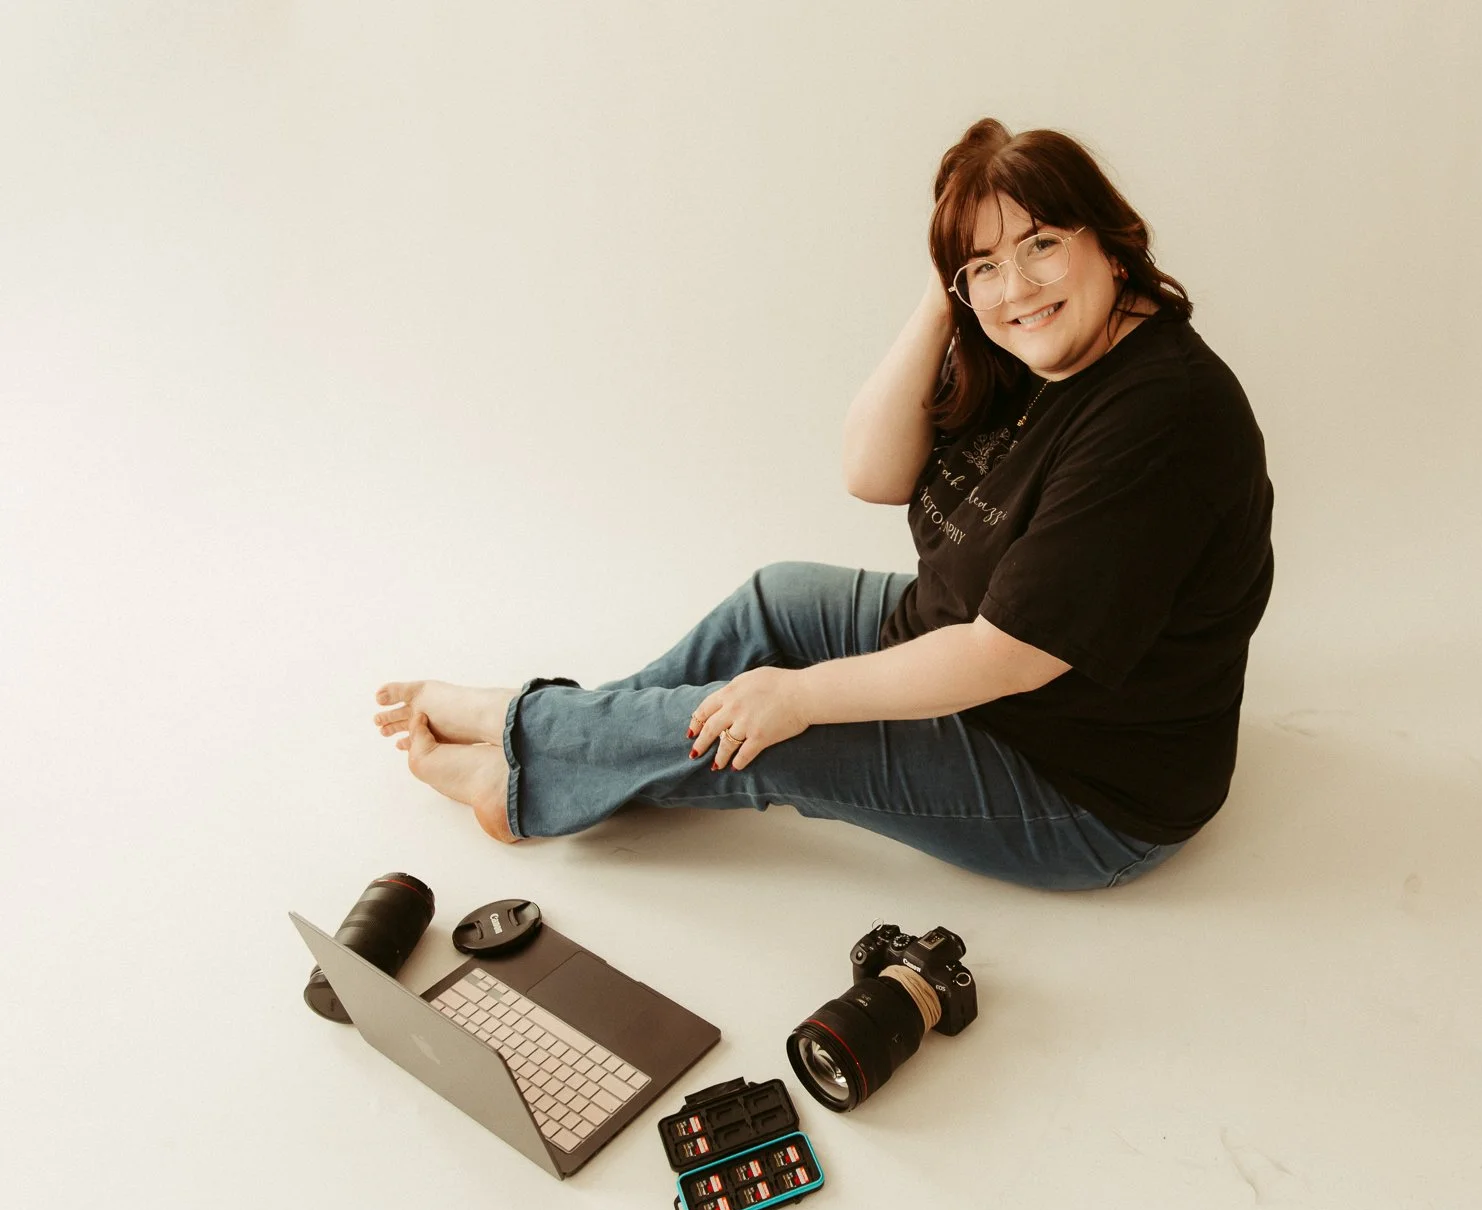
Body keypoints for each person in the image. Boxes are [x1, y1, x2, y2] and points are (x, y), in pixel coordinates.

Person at [373, 118, 1274, 892]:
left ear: (1110, 242)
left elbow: (1009, 658)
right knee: (775, 599)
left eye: (1040, 244)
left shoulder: (1162, 415)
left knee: (772, 734)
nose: (1017, 287)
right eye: (983, 265)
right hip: (955, 648)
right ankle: (566, 755)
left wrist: (801, 696)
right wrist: (942, 289)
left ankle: (523, 753)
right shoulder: (1034, 343)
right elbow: (871, 471)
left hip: (1079, 784)